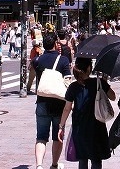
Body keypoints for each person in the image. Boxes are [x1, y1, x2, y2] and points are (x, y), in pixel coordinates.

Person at [58, 57, 115, 169]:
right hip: (97, 126)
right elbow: (113, 97)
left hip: (80, 127)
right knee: (96, 159)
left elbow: (67, 108)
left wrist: (61, 126)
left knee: (82, 158)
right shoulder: (98, 82)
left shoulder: (73, 86)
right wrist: (104, 84)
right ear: (89, 68)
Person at [32, 32, 72, 169]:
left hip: (42, 101)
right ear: (56, 44)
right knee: (58, 136)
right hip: (59, 103)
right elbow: (68, 81)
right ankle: (54, 165)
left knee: (41, 136)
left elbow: (34, 75)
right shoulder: (63, 60)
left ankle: (39, 165)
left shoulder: (38, 60)